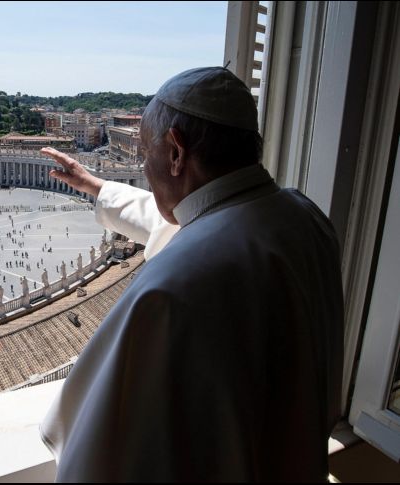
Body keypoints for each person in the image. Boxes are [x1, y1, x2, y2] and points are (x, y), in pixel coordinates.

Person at [38, 67, 343, 482]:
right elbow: (192, 221)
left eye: (146, 153)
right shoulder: (303, 216)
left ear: (177, 152)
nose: (144, 167)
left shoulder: (169, 287)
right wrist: (98, 186)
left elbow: (99, 452)